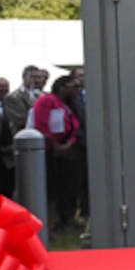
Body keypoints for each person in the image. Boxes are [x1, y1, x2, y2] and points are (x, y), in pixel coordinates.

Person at [32, 75, 82, 234]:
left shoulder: (68, 105)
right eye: (74, 86)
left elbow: (74, 126)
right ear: (62, 87)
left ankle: (59, 222)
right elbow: (42, 124)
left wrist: (69, 143)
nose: (77, 91)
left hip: (63, 151)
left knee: (63, 188)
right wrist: (55, 144)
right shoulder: (48, 101)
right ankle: (48, 226)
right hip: (47, 151)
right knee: (50, 190)